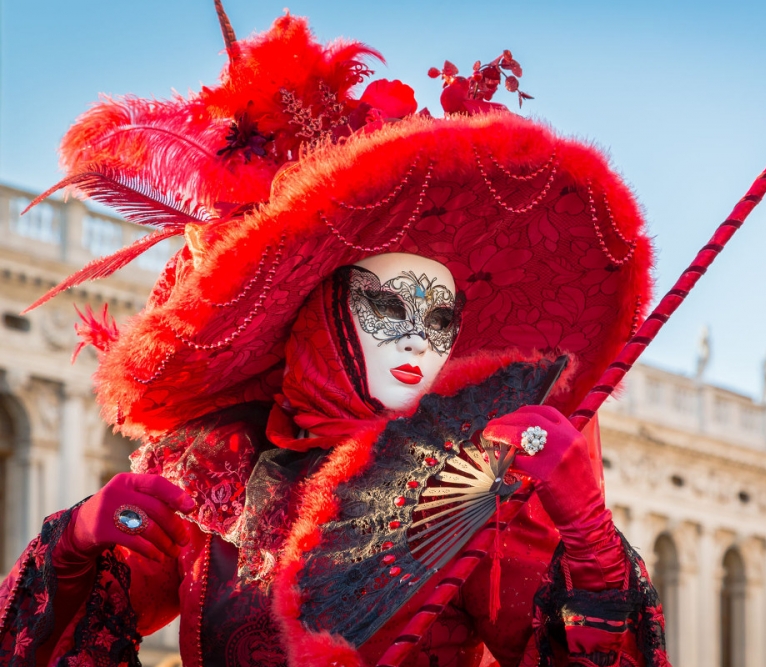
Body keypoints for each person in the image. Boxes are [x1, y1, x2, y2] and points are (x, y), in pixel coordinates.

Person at [0, 10, 666, 667]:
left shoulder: (464, 497)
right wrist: (74, 547)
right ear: (320, 306)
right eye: (389, 306)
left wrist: (590, 544)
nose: (419, 342)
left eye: (441, 321)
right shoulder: (219, 481)